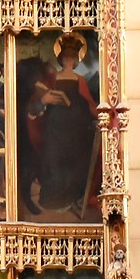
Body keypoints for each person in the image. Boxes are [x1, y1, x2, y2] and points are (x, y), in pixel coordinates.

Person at [24, 32, 99, 219]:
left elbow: (89, 104)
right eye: (65, 57)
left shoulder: (80, 81)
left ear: (76, 61)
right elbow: (37, 101)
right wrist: (44, 98)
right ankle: (53, 200)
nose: (68, 61)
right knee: (54, 161)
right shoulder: (52, 79)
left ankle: (72, 197)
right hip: (55, 127)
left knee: (73, 163)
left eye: (72, 58)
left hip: (75, 129)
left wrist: (100, 117)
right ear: (60, 58)